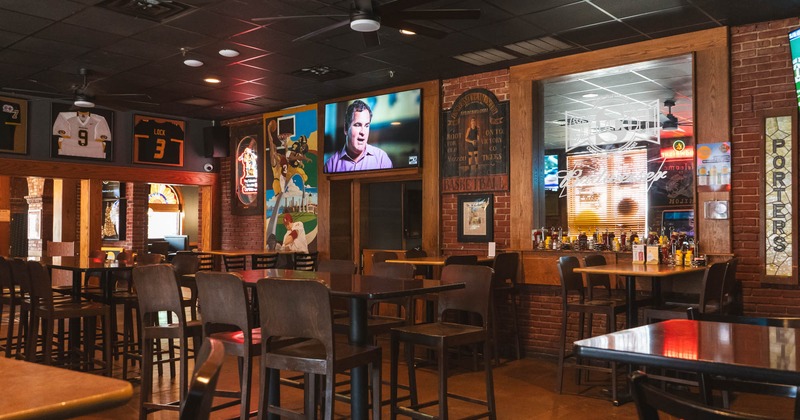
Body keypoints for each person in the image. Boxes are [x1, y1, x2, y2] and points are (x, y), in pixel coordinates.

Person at [324, 99, 393, 172]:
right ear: (346, 129)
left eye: (366, 126)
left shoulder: (381, 160)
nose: (363, 132)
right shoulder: (331, 166)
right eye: (358, 125)